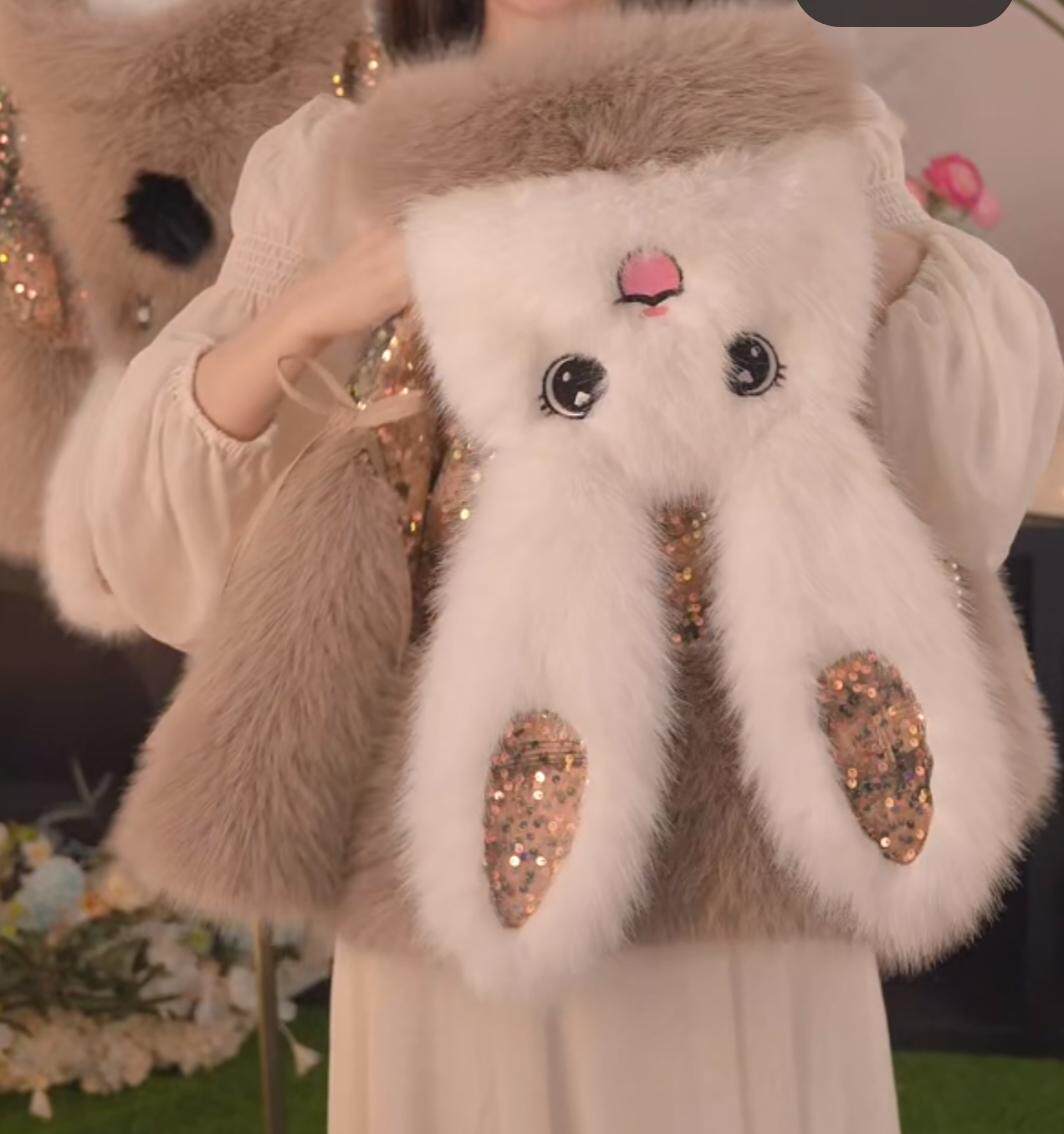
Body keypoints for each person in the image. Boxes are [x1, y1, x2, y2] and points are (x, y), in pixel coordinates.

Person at [43, 0, 1064, 1131]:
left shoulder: (791, 118)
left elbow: (957, 466)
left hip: (762, 798)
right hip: (457, 805)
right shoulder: (343, 153)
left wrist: (803, 227)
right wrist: (323, 305)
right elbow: (173, 534)